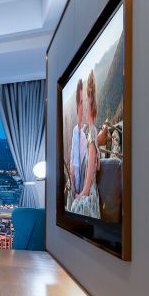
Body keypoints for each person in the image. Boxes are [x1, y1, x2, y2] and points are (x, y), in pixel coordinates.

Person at [71, 71, 101, 219]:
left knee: (75, 207)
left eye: (87, 107)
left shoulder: (93, 133)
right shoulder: (88, 133)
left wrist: (81, 194)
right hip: (87, 191)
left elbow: (88, 186)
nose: (85, 111)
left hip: (90, 195)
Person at [66, 79, 87, 209]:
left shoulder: (81, 134)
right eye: (81, 103)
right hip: (79, 191)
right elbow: (74, 168)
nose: (82, 107)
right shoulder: (77, 133)